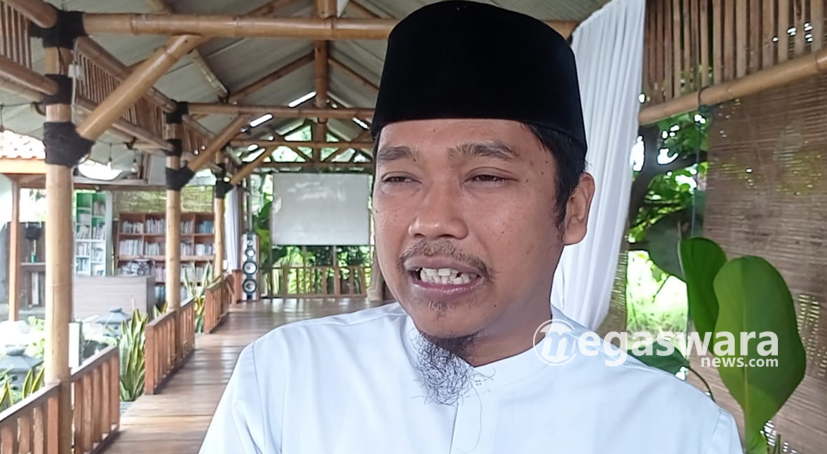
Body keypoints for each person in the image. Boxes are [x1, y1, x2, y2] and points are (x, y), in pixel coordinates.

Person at [200, 2, 743, 453]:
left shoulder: (678, 432)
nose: (431, 220)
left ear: (573, 209)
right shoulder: (284, 378)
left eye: (486, 176)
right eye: (400, 177)